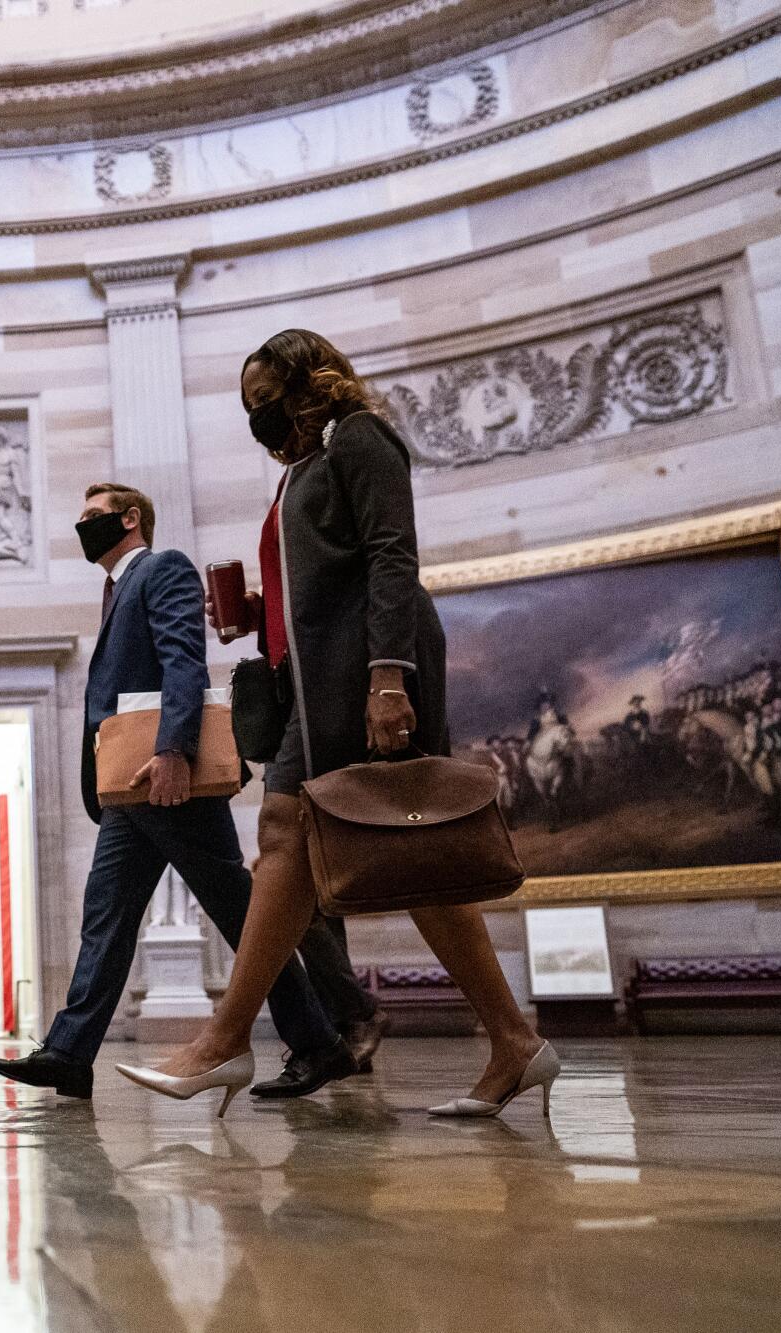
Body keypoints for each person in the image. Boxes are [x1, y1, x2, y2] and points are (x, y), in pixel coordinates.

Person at [117, 328, 555, 1118]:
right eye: (249, 407)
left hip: (366, 672)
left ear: (308, 380)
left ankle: (223, 1041)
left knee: (290, 829)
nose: (259, 417)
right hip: (314, 683)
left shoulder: (362, 437)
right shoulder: (301, 471)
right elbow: (322, 580)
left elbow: (393, 555)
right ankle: (515, 1042)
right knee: (415, 853)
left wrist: (390, 676)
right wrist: (254, 613)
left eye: (266, 399)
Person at [0, 481, 360, 1101]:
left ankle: (319, 1042)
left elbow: (184, 659)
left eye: (93, 517)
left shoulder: (163, 568)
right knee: (107, 917)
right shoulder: (114, 589)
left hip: (166, 777)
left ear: (131, 519)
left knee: (240, 913)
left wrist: (173, 750)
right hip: (128, 793)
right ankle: (70, 1053)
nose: (83, 528)